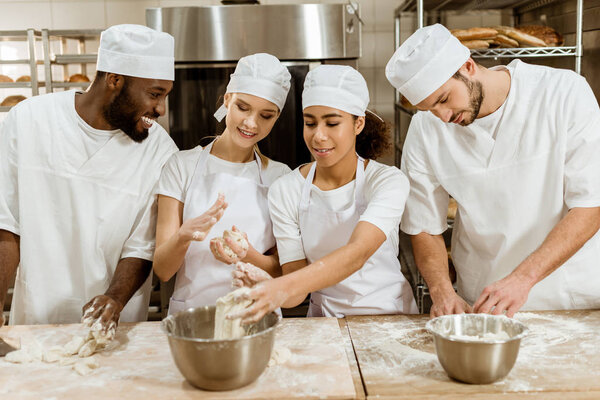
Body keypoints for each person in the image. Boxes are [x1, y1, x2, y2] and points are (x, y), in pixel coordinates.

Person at [385, 24, 600, 318]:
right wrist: (442, 291)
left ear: (468, 66)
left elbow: (590, 206)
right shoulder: (427, 128)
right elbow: (423, 225)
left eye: (444, 99)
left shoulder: (563, 93)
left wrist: (523, 278)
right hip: (483, 300)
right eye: (429, 109)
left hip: (568, 296)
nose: (443, 117)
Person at [0, 24, 178, 331]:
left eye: (165, 95)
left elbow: (142, 246)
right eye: (154, 94)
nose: (160, 108)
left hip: (112, 330)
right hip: (35, 323)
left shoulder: (160, 151)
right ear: (114, 79)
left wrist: (114, 299)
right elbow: (7, 224)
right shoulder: (28, 120)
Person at [230, 64, 418, 322]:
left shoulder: (386, 181)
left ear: (358, 124)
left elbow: (358, 253)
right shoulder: (286, 190)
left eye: (332, 123)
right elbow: (296, 293)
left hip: (390, 318)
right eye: (310, 123)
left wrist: (281, 286)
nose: (318, 136)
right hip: (324, 323)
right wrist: (267, 285)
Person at [153, 53, 292, 315]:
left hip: (256, 315)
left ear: (277, 117)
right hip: (192, 317)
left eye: (266, 115)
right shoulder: (181, 166)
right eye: (242, 107)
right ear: (227, 100)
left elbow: (286, 272)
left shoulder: (281, 177)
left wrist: (247, 253)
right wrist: (186, 233)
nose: (251, 123)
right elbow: (163, 270)